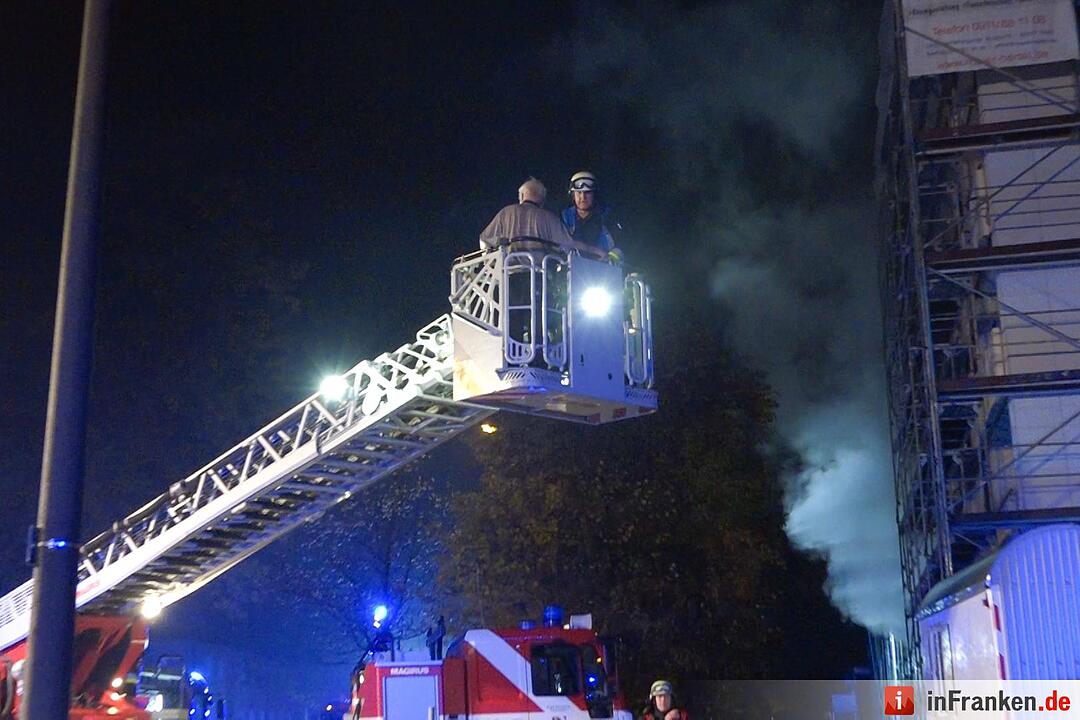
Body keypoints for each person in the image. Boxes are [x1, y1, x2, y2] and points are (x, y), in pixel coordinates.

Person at [479, 177, 575, 251]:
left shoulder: (505, 213)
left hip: (507, 273)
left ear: (521, 195)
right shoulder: (550, 218)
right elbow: (569, 245)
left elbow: (485, 239)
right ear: (543, 199)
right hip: (541, 273)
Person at [561, 170, 623, 261]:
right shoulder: (564, 217)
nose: (583, 197)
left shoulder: (608, 217)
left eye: (587, 192)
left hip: (603, 269)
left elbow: (621, 243)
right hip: (572, 269)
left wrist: (612, 257)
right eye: (578, 193)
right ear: (572, 195)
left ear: (595, 194)